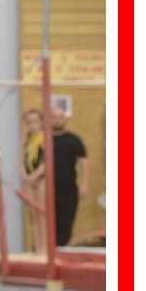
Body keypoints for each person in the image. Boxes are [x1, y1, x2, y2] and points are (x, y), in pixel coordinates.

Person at [50, 101, 88, 247]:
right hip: (47, 190)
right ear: (50, 119)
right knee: (49, 223)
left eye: (60, 117)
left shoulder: (73, 140)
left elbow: (84, 162)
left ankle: (61, 251)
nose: (57, 120)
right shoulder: (43, 139)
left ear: (65, 119)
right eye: (54, 116)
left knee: (65, 223)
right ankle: (49, 252)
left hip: (68, 190)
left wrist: (84, 184)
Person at [21, 107, 47, 254]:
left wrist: (33, 177)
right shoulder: (26, 141)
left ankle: (44, 247)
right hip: (29, 180)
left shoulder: (44, 138)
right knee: (32, 215)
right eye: (29, 122)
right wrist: (24, 175)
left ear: (41, 122)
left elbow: (45, 163)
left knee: (41, 213)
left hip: (41, 178)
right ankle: (37, 246)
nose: (32, 125)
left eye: (34, 122)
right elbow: (21, 161)